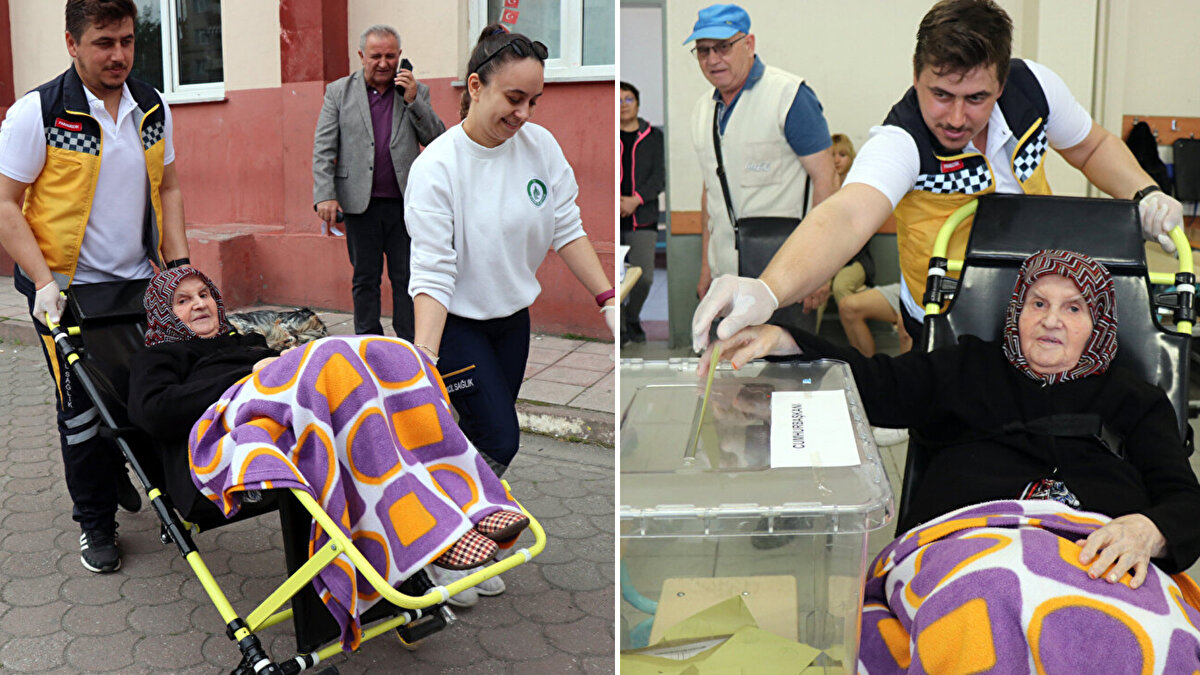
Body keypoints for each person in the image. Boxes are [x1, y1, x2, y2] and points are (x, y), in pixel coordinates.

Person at [704, 250, 1200, 669]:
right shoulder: (968, 366)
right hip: (971, 548)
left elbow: (1183, 499)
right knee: (981, 612)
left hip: (1099, 555)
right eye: (1038, 303)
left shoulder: (1135, 399)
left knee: (1155, 641)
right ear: (1017, 312)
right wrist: (787, 341)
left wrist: (1148, 531)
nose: (1051, 319)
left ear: (1099, 325)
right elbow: (881, 386)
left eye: (1073, 309)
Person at [692, 0, 1185, 353]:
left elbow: (1092, 146)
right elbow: (844, 216)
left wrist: (1143, 192)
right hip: (946, 314)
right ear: (916, 74)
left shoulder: (1034, 90)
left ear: (1002, 81)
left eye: (976, 99)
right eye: (940, 94)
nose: (954, 117)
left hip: (1040, 303)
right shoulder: (900, 139)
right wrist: (769, 289)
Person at [126, 267, 532, 631]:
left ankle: (465, 507)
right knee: (332, 354)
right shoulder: (159, 357)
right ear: (164, 314)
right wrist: (246, 375)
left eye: (203, 295)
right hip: (225, 445)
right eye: (183, 300)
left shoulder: (246, 340)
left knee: (391, 366)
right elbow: (153, 413)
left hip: (298, 427)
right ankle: (433, 539)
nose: (199, 304)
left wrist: (277, 361)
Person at [0, 0, 189, 574]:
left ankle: (167, 501)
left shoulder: (150, 105)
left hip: (138, 284)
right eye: (104, 42)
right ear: (71, 43)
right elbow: (7, 205)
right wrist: (42, 283)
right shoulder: (40, 112)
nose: (119, 55)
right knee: (83, 410)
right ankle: (96, 520)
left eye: (128, 41)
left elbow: (171, 189)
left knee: (150, 397)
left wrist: (179, 270)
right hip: (66, 290)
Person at [685, 3, 838, 331]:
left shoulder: (789, 96)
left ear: (749, 44)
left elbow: (826, 179)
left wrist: (821, 271)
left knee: (787, 372)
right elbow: (710, 193)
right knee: (730, 371)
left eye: (723, 47)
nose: (713, 60)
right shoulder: (702, 110)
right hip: (725, 275)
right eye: (703, 51)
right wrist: (705, 269)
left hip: (785, 274)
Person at [312, 24, 446, 340]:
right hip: (360, 204)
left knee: (406, 277)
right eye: (375, 56)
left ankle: (410, 344)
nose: (383, 63)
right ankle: (368, 342)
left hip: (405, 203)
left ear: (399, 56)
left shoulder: (416, 91)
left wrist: (414, 101)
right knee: (365, 279)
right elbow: (324, 146)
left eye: (390, 56)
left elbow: (437, 140)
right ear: (361, 56)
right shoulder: (338, 92)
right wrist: (325, 195)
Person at [619, 81, 664, 344]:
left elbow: (660, 175)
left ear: (637, 103)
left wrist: (635, 200)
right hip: (612, 217)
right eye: (618, 100)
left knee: (644, 277)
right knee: (615, 278)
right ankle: (622, 326)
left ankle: (631, 317)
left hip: (642, 217)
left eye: (628, 99)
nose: (623, 105)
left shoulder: (654, 137)